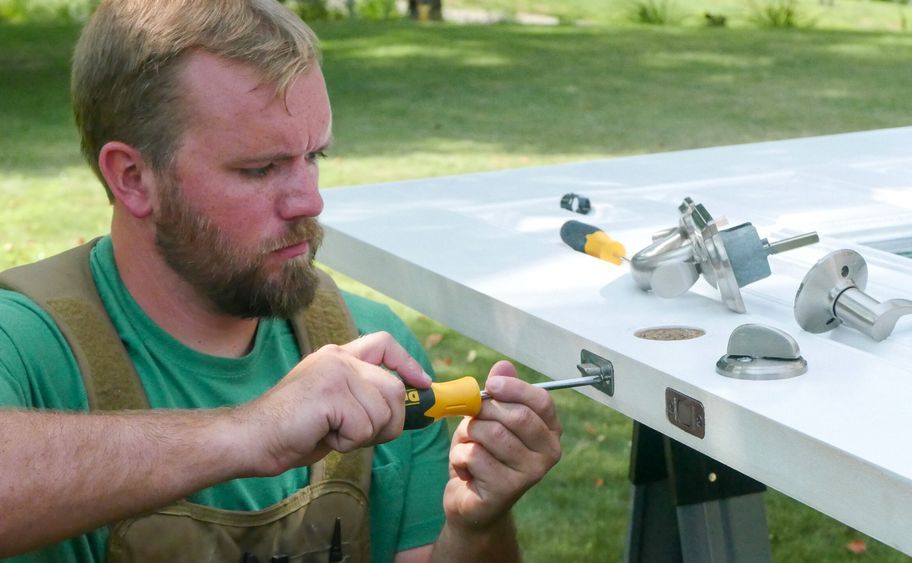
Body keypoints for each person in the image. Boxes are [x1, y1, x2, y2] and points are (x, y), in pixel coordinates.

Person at [0, 1, 562, 561]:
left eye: (313, 155)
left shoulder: (373, 352)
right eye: (259, 169)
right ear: (133, 177)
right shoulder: (24, 345)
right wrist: (248, 432)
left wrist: (476, 527)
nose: (309, 200)